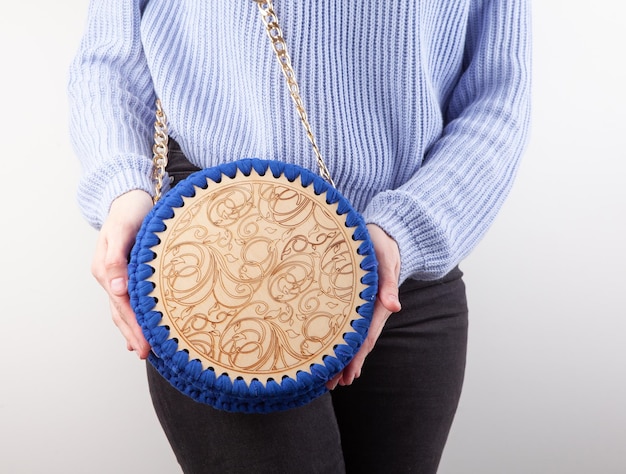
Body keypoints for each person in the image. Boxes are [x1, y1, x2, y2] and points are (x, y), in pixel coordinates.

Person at [68, 1, 531, 473]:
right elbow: (110, 55)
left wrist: (405, 230)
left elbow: (498, 94)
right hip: (218, 256)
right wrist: (124, 186)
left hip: (403, 265)